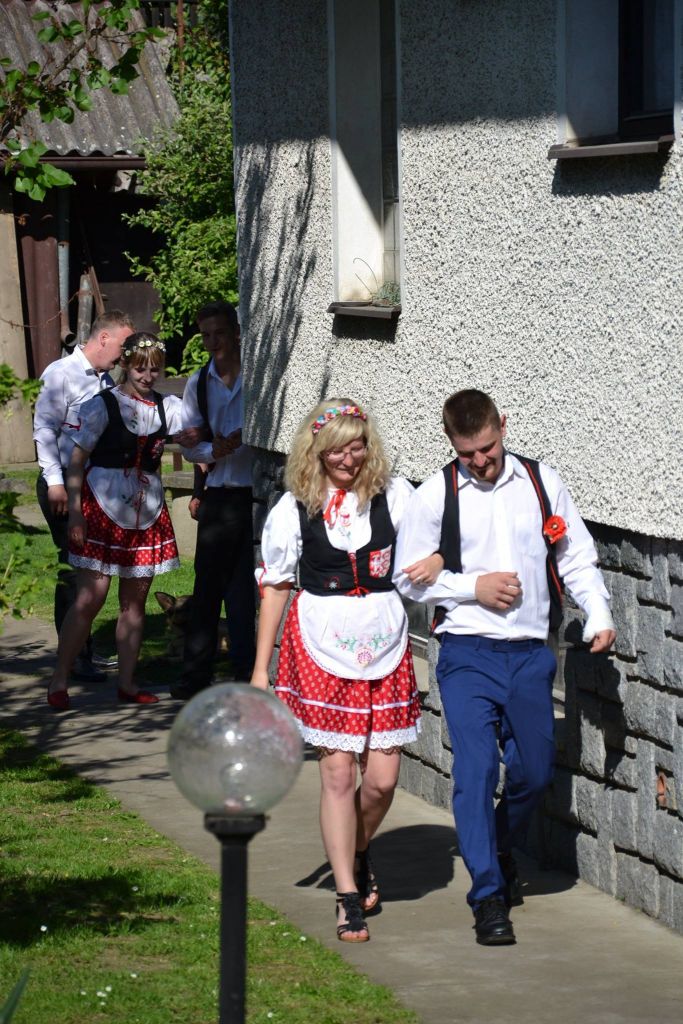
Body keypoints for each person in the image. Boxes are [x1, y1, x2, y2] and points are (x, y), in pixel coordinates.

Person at [394, 389, 616, 946]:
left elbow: (574, 555)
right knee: (475, 772)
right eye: (467, 453)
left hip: (530, 654)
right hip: (467, 652)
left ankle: (494, 846)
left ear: (503, 427)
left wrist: (598, 611)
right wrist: (473, 587)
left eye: (488, 449)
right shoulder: (436, 495)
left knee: (534, 773)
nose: (480, 461)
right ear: (451, 443)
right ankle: (489, 896)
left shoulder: (541, 483)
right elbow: (406, 578)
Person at [250, 398, 440, 943]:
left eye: (356, 446)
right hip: (321, 642)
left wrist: (436, 559)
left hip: (384, 641)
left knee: (381, 781)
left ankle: (357, 848)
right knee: (337, 775)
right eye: (336, 449)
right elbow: (276, 586)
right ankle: (347, 894)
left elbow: (435, 543)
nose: (348, 458)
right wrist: (261, 669)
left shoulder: (395, 496)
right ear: (316, 451)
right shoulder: (294, 508)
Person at [46, 333, 203, 711]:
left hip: (145, 512)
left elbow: (196, 440)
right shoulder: (102, 406)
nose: (148, 376)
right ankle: (60, 678)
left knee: (134, 603)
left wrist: (198, 447)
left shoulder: (168, 407)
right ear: (126, 366)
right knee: (90, 598)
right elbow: (76, 462)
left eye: (154, 369)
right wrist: (76, 512)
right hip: (103, 507)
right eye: (140, 368)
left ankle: (128, 683)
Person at [33, 310, 135, 681]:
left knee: (91, 568)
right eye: (123, 345)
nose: (125, 354)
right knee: (75, 567)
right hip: (62, 483)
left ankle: (82, 649)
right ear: (103, 338)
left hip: (93, 486)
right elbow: (44, 430)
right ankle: (75, 656)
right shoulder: (61, 374)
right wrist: (55, 482)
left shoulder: (106, 380)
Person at [170, 301, 256, 699]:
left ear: (236, 333)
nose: (213, 342)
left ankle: (245, 673)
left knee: (243, 590)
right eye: (206, 335)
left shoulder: (255, 374)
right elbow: (189, 445)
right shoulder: (199, 383)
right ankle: (195, 676)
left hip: (255, 492)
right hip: (220, 494)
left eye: (220, 333)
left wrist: (241, 439)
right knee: (207, 588)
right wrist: (213, 449)